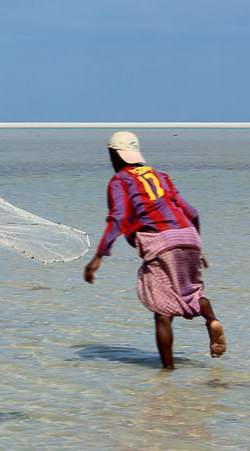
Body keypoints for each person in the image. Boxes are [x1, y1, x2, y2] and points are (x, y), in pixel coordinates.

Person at [83, 131, 226, 369]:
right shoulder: (161, 176)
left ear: (114, 155)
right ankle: (211, 319)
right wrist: (197, 248)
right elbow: (193, 212)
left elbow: (117, 218)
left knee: (162, 313)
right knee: (189, 292)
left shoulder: (120, 180)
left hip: (160, 241)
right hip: (189, 236)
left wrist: (99, 256)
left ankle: (166, 375)